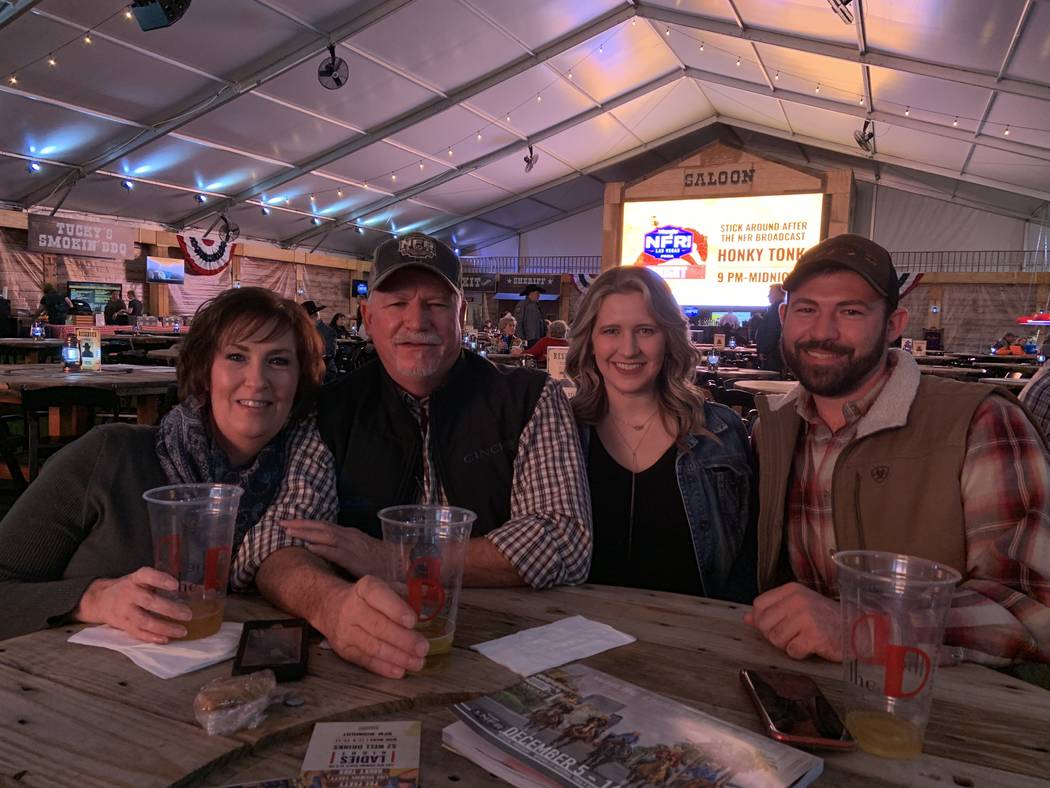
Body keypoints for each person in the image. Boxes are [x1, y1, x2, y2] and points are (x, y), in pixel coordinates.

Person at [231, 232, 592, 679]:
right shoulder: (329, 410)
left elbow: (564, 539)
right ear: (368, 316)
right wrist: (331, 605)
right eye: (397, 303)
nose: (416, 321)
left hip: (516, 651)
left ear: (461, 314)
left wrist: (395, 560)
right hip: (364, 652)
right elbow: (274, 544)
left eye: (436, 304)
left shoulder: (530, 398)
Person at [748, 234, 1050, 666]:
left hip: (940, 708)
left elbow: (1034, 609)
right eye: (806, 309)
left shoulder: (981, 424)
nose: (822, 332)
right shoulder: (772, 431)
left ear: (893, 324)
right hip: (800, 693)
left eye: (850, 311)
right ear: (784, 316)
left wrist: (864, 629)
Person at [0, 287, 335, 642]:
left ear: (300, 380)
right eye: (237, 357)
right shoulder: (110, 456)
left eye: (278, 361)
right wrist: (90, 599)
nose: (257, 380)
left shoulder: (311, 486)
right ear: (205, 370)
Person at [567, 266, 755, 602]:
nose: (629, 349)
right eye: (611, 330)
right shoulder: (560, 431)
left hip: (692, 642)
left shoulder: (721, 432)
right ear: (589, 341)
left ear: (668, 338)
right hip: (571, 636)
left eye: (646, 330)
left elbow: (746, 563)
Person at [303, 300, 336, 381]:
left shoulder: (328, 331)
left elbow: (329, 353)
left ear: (314, 316)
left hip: (324, 372)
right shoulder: (306, 330)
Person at [754, 284, 784, 371]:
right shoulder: (775, 308)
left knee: (770, 381)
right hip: (772, 353)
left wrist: (764, 350)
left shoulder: (776, 309)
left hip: (772, 355)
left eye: (771, 293)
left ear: (780, 294)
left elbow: (773, 331)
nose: (768, 296)